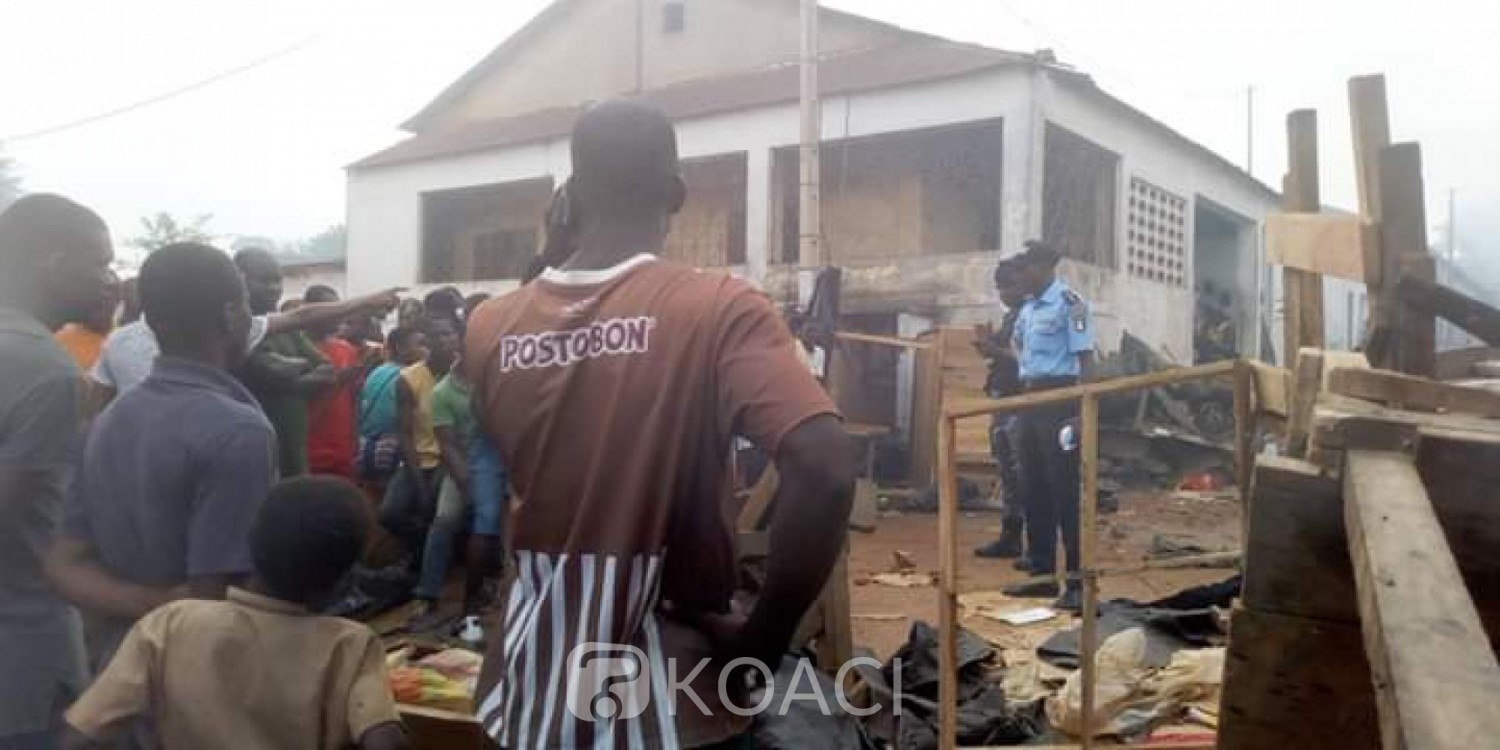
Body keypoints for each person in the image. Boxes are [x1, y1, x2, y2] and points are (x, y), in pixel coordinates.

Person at [466, 100, 855, 748]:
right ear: (676, 194)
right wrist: (762, 642)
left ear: (569, 197)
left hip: (532, 690)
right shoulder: (718, 307)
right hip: (669, 700)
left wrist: (557, 246)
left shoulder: (488, 326)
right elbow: (825, 465)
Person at [47, 243, 277, 670]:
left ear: (152, 321)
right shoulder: (238, 431)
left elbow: (63, 564)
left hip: (115, 672)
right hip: (199, 681)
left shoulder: (108, 420)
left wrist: (148, 601)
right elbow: (212, 601)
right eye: (247, 304)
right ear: (231, 315)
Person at [61, 476, 408, 750]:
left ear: (250, 544)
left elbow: (82, 735)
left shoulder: (169, 624)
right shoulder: (350, 645)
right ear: (340, 582)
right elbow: (385, 742)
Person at [0, 194, 114, 748]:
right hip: (22, 654)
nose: (109, 280)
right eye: (100, 262)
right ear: (55, 263)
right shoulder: (47, 371)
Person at [90, 276, 398, 399]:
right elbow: (95, 415)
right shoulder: (221, 332)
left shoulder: (221, 329)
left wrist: (366, 301)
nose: (244, 312)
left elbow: (300, 317)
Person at [1000, 241, 1096, 612]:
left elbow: (1086, 359)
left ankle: (1076, 582)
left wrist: (1082, 411)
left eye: (1025, 268)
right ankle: (1042, 574)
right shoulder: (1027, 310)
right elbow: (1019, 350)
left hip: (1061, 402)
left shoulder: (1073, 304)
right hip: (1031, 400)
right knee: (1032, 486)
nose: (1020, 275)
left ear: (1044, 267)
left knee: (1065, 491)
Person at [408, 352, 507, 631]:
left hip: (500, 456)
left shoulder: (497, 373)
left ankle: (494, 589)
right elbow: (448, 445)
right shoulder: (443, 392)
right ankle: (428, 594)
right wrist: (468, 484)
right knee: (446, 519)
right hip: (462, 463)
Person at [378, 315, 458, 565]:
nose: (442, 340)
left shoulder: (464, 373)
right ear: (426, 341)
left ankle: (430, 561)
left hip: (452, 458)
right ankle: (425, 554)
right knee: (390, 513)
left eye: (447, 334)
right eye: (435, 335)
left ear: (457, 337)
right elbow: (404, 432)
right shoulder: (409, 378)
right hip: (420, 458)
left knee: (438, 508)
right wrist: (417, 480)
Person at [974, 257, 1029, 561]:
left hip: (1020, 402)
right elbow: (998, 352)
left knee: (1023, 472)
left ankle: (1033, 543)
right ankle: (1011, 537)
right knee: (1007, 471)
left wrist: (995, 350)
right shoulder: (1011, 317)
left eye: (1009, 286)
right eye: (1000, 287)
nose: (1004, 293)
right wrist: (987, 344)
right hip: (1003, 400)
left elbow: (1027, 359)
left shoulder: (1030, 316)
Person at [304, 285, 362, 480]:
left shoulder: (347, 350)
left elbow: (354, 398)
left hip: (343, 451)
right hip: (308, 452)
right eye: (331, 309)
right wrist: (338, 382)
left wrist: (354, 440)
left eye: (339, 308)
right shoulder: (295, 350)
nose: (338, 314)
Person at [356, 327, 425, 487]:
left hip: (364, 446)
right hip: (390, 451)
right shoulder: (407, 377)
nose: (425, 350)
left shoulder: (377, 372)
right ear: (400, 348)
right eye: (420, 344)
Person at [54, 269, 120, 370]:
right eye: (93, 290)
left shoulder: (127, 341)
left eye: (109, 290)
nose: (102, 295)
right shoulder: (57, 341)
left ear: (119, 298)